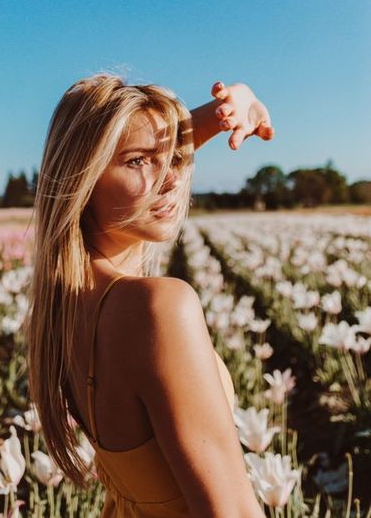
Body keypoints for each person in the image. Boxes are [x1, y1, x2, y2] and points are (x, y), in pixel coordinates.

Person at [26, 74, 274, 518]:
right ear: (82, 178)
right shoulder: (156, 309)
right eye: (139, 163)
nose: (171, 180)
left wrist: (230, 110)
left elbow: (141, 144)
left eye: (176, 158)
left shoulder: (65, 304)